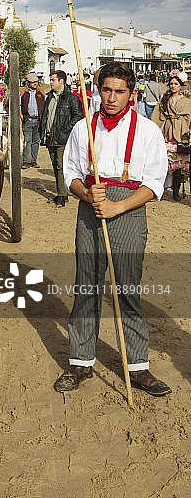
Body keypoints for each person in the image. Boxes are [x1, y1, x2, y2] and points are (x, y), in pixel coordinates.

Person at [54, 62, 170, 397]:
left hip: (129, 210)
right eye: (106, 90)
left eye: (120, 91)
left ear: (132, 94)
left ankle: (138, 367)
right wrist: (87, 194)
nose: (112, 98)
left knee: (127, 290)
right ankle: (80, 361)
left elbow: (153, 184)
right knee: (86, 286)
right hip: (90, 208)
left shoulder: (148, 132)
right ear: (97, 90)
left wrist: (118, 205)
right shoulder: (83, 129)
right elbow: (71, 174)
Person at [40, 70, 83, 207]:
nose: (51, 82)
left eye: (53, 80)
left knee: (61, 166)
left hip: (63, 139)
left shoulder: (71, 98)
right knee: (55, 165)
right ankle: (61, 192)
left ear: (61, 81)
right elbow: (46, 116)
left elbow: (78, 116)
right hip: (50, 137)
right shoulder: (50, 97)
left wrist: (65, 131)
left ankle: (62, 195)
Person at [151, 70, 191, 202]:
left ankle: (176, 191)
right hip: (168, 133)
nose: (173, 86)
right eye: (171, 83)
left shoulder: (187, 101)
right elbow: (158, 115)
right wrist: (155, 128)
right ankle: (159, 189)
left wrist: (187, 128)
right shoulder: (164, 99)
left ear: (181, 85)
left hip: (181, 134)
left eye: (176, 83)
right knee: (165, 163)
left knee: (179, 165)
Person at [20, 72, 45, 168]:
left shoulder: (41, 93)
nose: (35, 83)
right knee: (28, 141)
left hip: (38, 120)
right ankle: (26, 161)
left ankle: (34, 161)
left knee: (36, 141)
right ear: (28, 83)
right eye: (33, 82)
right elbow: (18, 104)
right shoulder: (23, 93)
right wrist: (20, 114)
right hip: (28, 120)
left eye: (36, 81)